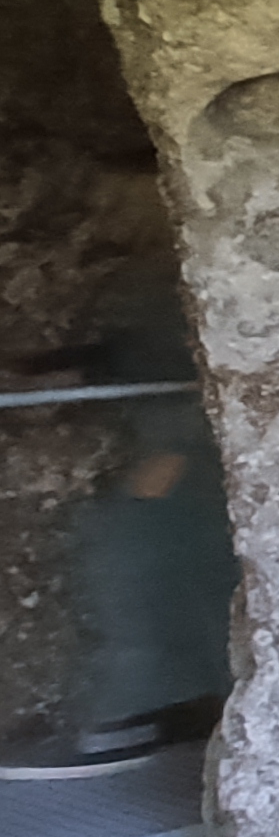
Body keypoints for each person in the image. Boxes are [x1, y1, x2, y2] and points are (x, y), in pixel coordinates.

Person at [4, 247, 238, 779]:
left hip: (184, 456)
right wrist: (51, 364)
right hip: (182, 455)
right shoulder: (158, 275)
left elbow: (185, 362)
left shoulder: (178, 273)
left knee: (126, 559)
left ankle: (127, 717)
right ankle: (176, 706)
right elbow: (146, 348)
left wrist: (171, 457)